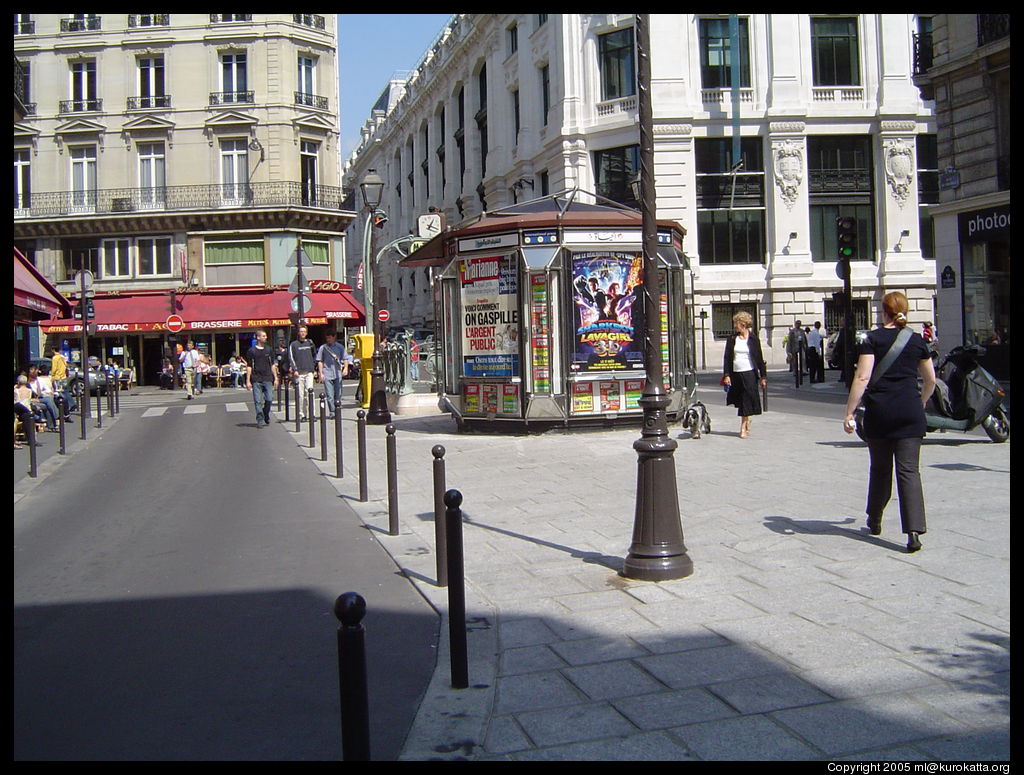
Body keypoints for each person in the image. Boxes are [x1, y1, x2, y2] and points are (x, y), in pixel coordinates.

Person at [844, 291, 936, 554]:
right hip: (909, 411)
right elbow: (930, 379)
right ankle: (914, 532)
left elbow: (862, 378)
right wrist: (920, 402)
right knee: (909, 472)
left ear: (883, 311)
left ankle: (874, 518)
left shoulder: (872, 339)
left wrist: (849, 412)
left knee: (881, 469)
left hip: (880, 413)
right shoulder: (917, 340)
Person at [722, 311, 767, 439]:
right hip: (736, 373)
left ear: (743, 324)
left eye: (737, 324)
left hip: (749, 373)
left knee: (747, 398)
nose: (735, 326)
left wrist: (763, 376)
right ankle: (747, 419)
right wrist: (726, 374)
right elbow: (727, 357)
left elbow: (759, 358)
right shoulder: (732, 339)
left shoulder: (753, 339)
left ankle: (743, 427)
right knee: (741, 399)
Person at [246, 329, 279, 428]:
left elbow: (272, 364)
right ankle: (260, 419)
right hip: (256, 378)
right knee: (257, 400)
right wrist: (248, 380)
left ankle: (266, 412)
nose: (266, 337)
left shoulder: (269, 350)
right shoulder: (252, 351)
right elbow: (249, 366)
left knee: (269, 398)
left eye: (265, 336)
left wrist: (276, 377)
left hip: (267, 377)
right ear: (258, 337)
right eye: (263, 336)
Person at [316, 330, 349, 419]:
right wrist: (321, 373)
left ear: (334, 337)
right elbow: (320, 361)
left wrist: (345, 368)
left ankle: (337, 409)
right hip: (327, 373)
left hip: (338, 373)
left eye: (330, 337)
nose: (328, 339)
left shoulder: (340, 347)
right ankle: (332, 412)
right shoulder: (323, 348)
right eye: (327, 337)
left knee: (338, 393)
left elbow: (345, 358)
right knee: (329, 395)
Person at [289, 325, 318, 420]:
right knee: (300, 395)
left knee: (310, 392)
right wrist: (295, 369)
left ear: (306, 333)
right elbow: (291, 357)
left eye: (304, 331)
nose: (302, 333)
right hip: (299, 372)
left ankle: (312, 414)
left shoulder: (310, 343)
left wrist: (314, 368)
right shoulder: (294, 344)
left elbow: (315, 355)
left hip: (309, 371)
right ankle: (302, 414)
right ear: (298, 333)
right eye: (301, 331)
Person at [29, 365, 60, 432]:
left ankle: (52, 424)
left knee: (48, 400)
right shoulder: (28, 383)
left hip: (40, 398)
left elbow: (47, 390)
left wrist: (47, 393)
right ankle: (55, 418)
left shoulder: (40, 380)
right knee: (47, 402)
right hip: (31, 400)